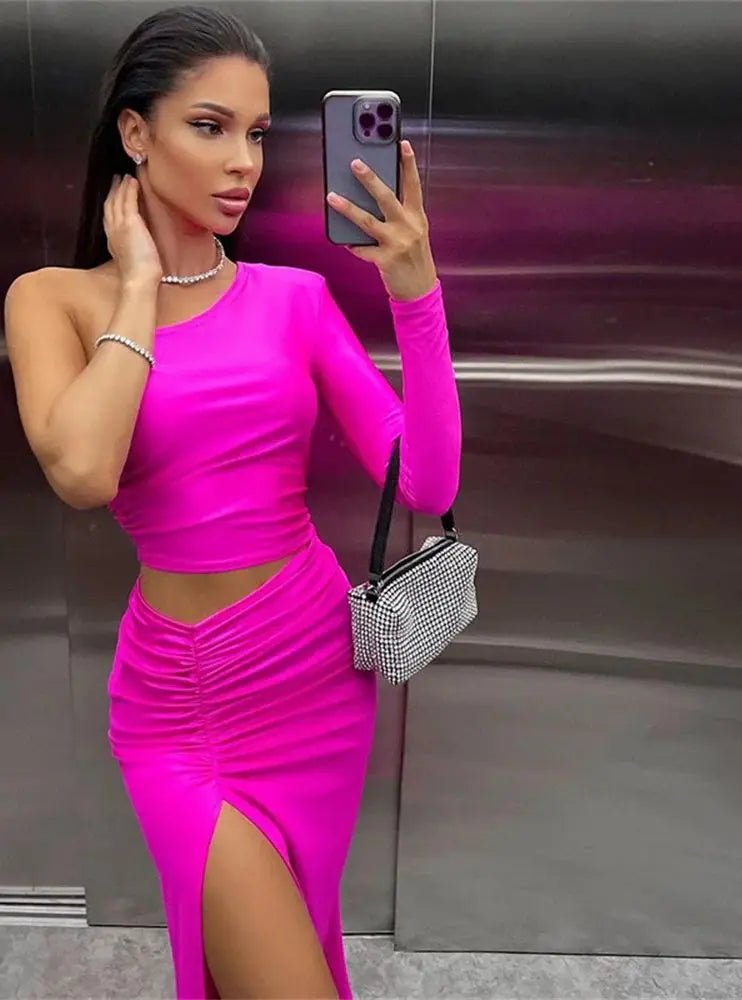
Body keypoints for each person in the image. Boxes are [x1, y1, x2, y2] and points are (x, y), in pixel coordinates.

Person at [3, 5, 461, 998]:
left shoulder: (294, 299)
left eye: (255, 133)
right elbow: (82, 473)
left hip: (314, 670)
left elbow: (428, 484)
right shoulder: (51, 300)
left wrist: (416, 294)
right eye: (209, 127)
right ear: (136, 133)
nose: (243, 162)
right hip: (176, 703)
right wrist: (136, 286)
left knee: (296, 939)